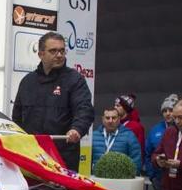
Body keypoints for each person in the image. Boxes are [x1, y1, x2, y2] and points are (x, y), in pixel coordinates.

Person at [12, 32, 94, 171]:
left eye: (62, 50)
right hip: (31, 155)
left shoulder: (75, 79)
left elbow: (84, 108)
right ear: (41, 54)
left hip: (63, 157)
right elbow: (17, 117)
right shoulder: (27, 82)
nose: (59, 55)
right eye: (53, 51)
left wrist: (77, 129)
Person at [144, 94, 178, 190]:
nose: (168, 113)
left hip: (179, 178)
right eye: (165, 111)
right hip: (159, 178)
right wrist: (152, 176)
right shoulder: (155, 130)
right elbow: (147, 153)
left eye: (171, 110)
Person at [91, 107, 142, 173]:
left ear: (119, 119)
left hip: (120, 180)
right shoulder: (93, 136)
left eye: (114, 118)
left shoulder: (129, 136)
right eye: (107, 118)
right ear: (103, 119)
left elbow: (136, 161)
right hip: (97, 178)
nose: (110, 121)